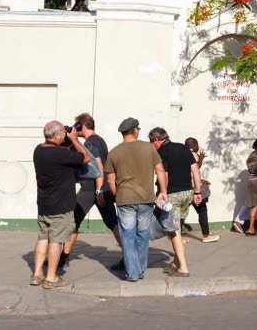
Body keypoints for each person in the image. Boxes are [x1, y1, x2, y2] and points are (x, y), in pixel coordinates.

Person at [105, 117, 166, 282]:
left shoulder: (114, 152)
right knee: (143, 234)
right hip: (146, 198)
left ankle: (132, 272)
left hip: (125, 199)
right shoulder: (149, 148)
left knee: (127, 235)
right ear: (135, 130)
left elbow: (110, 180)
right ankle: (139, 270)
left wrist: (118, 195)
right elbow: (160, 170)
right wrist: (163, 192)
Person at [31, 120, 90, 289]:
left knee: (43, 238)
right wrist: (75, 140)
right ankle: (51, 277)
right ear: (57, 135)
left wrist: (67, 139)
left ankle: (37, 274)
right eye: (63, 133)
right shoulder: (60, 155)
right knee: (56, 241)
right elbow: (85, 158)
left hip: (44, 205)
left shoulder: (38, 150)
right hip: (61, 206)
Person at [61, 113, 112, 270]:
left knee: (73, 221)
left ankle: (63, 258)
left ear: (82, 126)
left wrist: (98, 190)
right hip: (102, 188)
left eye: (76, 126)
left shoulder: (89, 143)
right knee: (113, 222)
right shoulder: (100, 140)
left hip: (91, 188)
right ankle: (128, 256)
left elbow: (98, 167)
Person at [149, 127, 200, 277]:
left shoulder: (162, 152)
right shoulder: (184, 149)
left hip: (173, 194)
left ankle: (183, 268)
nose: (152, 145)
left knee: (174, 231)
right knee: (178, 226)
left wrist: (161, 193)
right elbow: (195, 171)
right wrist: (197, 192)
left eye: (152, 142)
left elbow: (163, 174)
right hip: (188, 193)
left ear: (156, 140)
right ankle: (176, 262)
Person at [184, 137, 219, 242]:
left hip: (186, 187)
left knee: (182, 212)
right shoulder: (193, 155)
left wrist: (201, 179)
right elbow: (195, 168)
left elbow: (190, 173)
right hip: (194, 189)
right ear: (194, 145)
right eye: (197, 144)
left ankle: (178, 236)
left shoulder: (184, 155)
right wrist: (201, 158)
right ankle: (206, 235)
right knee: (202, 210)